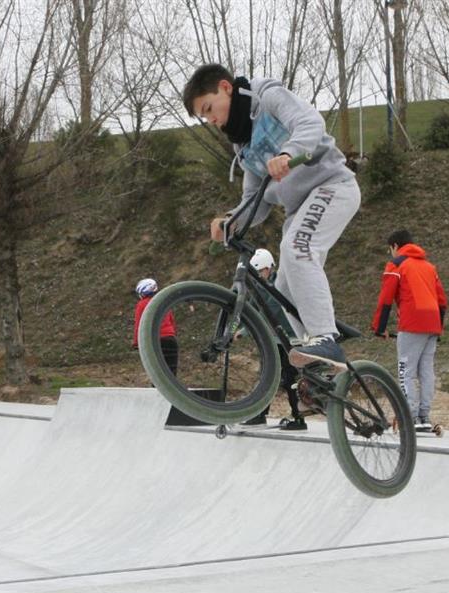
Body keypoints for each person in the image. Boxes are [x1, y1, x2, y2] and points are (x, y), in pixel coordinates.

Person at [183, 63, 360, 370]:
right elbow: (255, 200)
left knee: (298, 249)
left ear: (226, 87)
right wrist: (231, 221)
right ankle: (319, 367)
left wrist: (288, 154)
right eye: (205, 116)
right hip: (299, 209)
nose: (211, 120)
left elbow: (309, 122)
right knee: (285, 289)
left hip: (332, 186)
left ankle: (325, 338)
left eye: (210, 108)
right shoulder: (243, 144)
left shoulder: (267, 96)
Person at [371, 229, 449, 433]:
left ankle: (411, 417)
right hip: (432, 324)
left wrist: (379, 328)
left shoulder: (396, 265)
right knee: (426, 371)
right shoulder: (429, 267)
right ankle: (424, 416)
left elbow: (385, 299)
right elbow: (442, 301)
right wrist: (438, 327)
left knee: (406, 371)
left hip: (411, 323)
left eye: (391, 250)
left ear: (395, 246)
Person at [246, 248, 307, 430]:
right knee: (268, 376)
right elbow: (251, 309)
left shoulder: (278, 285)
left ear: (268, 268)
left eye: (260, 272)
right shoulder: (260, 286)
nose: (258, 276)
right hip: (275, 341)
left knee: (290, 378)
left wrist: (246, 330)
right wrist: (237, 327)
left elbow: (270, 310)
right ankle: (259, 414)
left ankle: (299, 418)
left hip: (290, 341)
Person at [132, 278, 178, 374]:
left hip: (155, 340)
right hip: (170, 339)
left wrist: (137, 342)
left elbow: (139, 325)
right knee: (171, 369)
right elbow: (172, 320)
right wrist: (172, 335)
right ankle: (172, 388)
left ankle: (156, 388)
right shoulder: (163, 301)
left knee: (157, 371)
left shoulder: (141, 304)